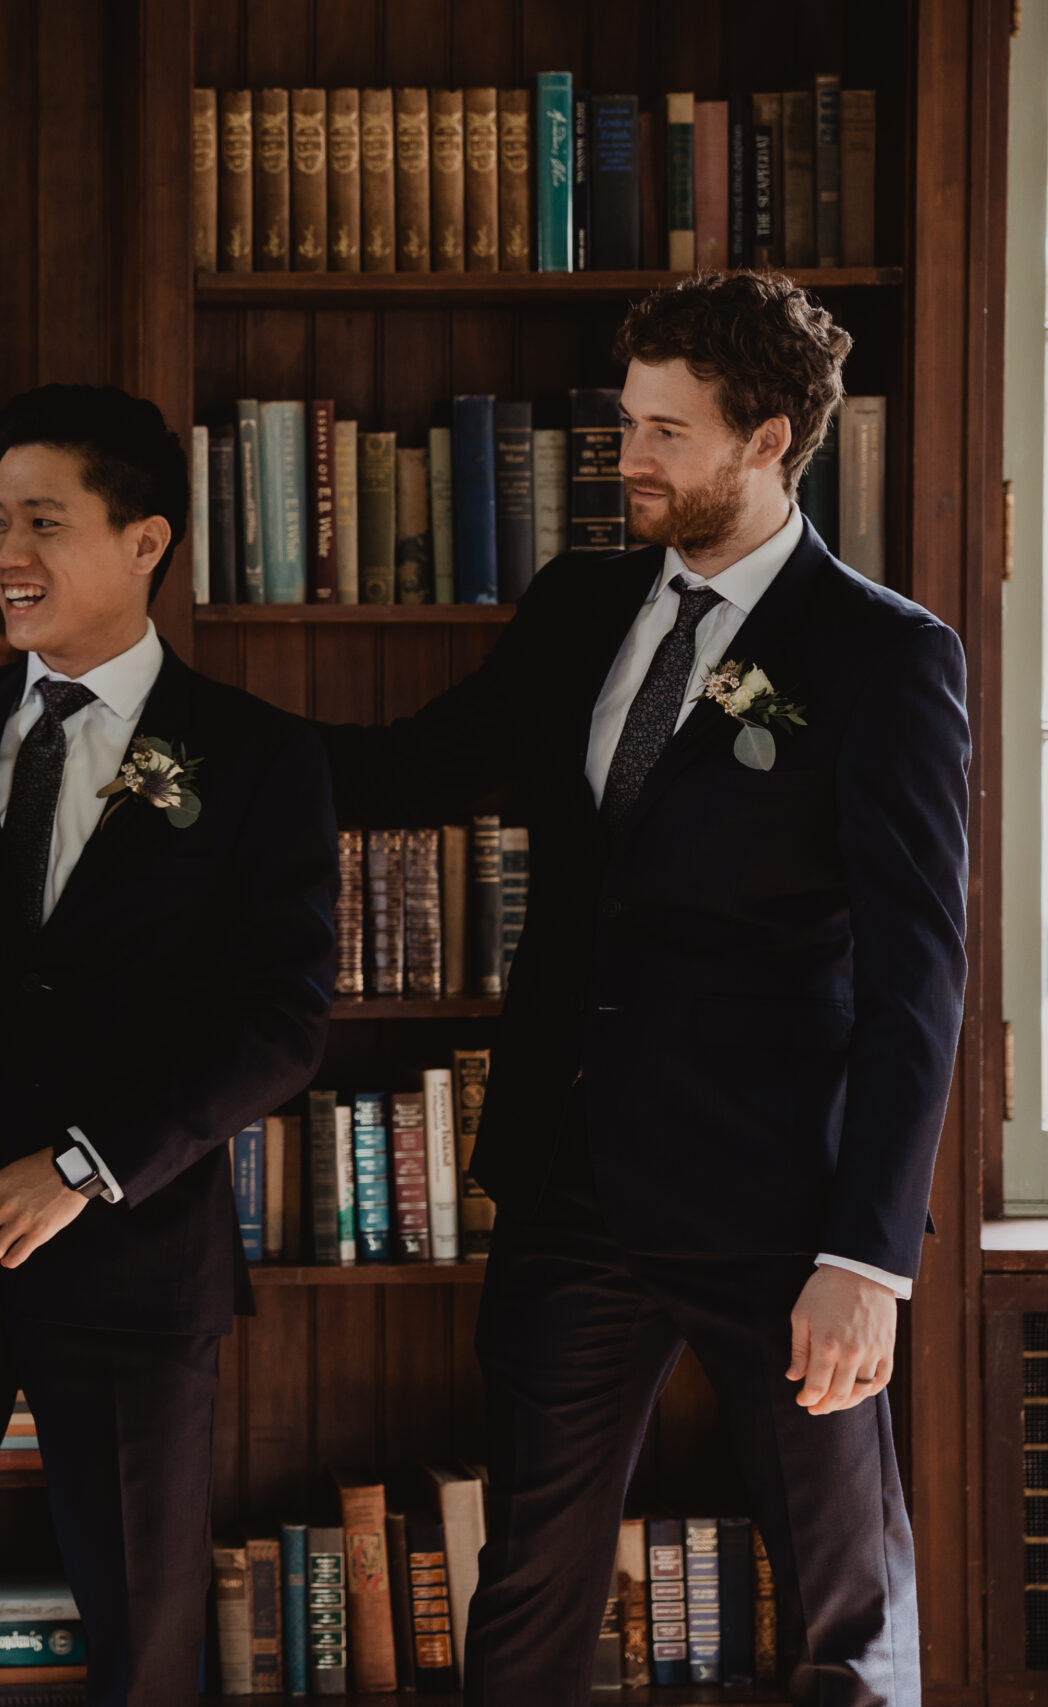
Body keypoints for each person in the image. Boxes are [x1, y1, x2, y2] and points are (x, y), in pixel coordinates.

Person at [318, 271, 967, 1703]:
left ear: (771, 439)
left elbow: (923, 981)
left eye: (670, 432)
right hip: (571, 1176)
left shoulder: (884, 657)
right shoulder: (579, 603)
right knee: (532, 1573)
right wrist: (173, 729)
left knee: (842, 1599)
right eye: (629, 426)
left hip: (785, 1206)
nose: (635, 460)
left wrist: (868, 1261)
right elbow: (412, 769)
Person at [0, 385, 339, 1707]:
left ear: (147, 539)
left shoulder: (259, 759)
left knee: (145, 1635)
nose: (8, 555)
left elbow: (283, 1022)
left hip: (134, 1253)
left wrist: (84, 1165)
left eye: (44, 521)